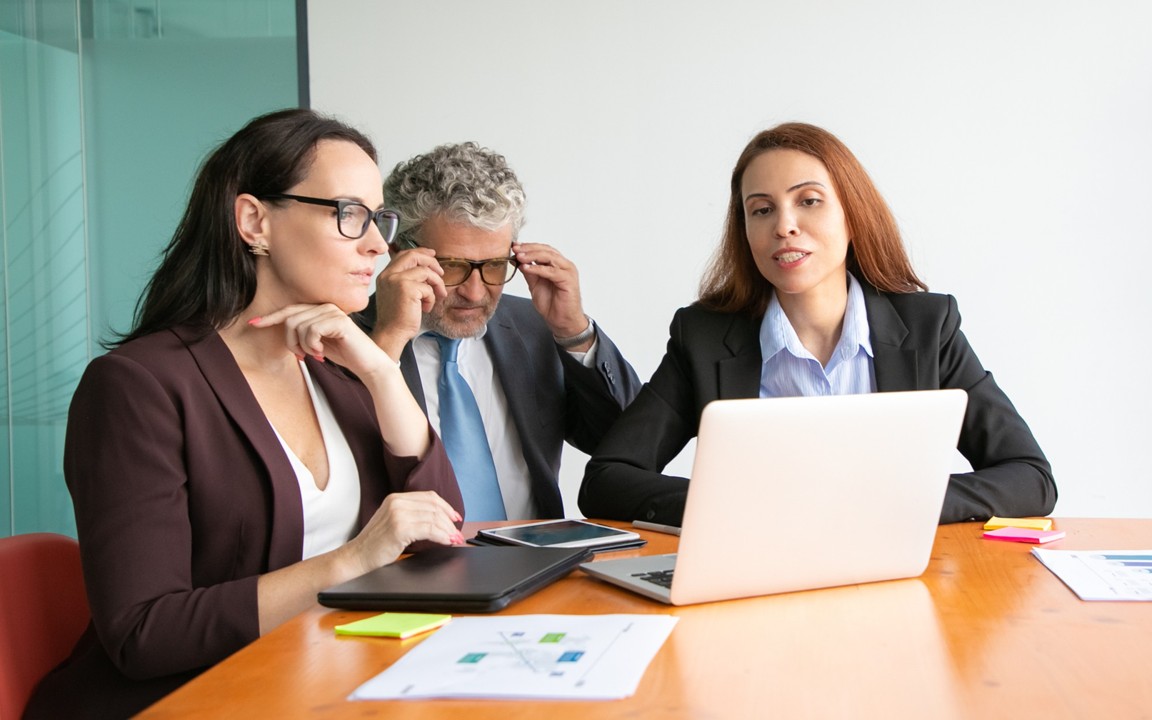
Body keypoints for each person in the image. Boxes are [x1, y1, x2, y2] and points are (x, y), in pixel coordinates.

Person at [25, 109, 466, 720]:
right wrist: (352, 561)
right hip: (186, 703)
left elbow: (442, 532)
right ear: (255, 221)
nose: (377, 245)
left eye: (378, 218)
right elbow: (142, 632)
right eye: (349, 214)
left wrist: (381, 371)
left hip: (321, 685)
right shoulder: (138, 386)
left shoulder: (336, 371)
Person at [579, 122, 1056, 526]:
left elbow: (1030, 477)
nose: (783, 226)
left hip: (896, 571)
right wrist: (732, 507)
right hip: (761, 575)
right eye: (761, 209)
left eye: (808, 201)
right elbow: (607, 479)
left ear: (853, 215)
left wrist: (902, 503)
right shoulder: (703, 338)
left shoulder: (929, 327)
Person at [354, 142, 641, 520]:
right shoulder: (346, 337)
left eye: (493, 265)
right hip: (409, 556)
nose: (475, 293)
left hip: (535, 551)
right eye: (452, 266)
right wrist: (388, 341)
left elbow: (628, 445)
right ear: (396, 250)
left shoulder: (534, 326)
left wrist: (574, 332)